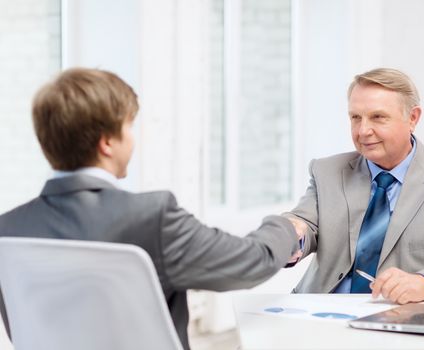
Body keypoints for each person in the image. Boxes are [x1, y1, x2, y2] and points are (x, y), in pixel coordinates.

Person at [0, 68, 304, 350]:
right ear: (107, 143)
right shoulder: (152, 218)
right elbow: (253, 261)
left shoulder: (8, 231)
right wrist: (288, 226)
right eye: (129, 127)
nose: (133, 138)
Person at [285, 68, 424, 304]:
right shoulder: (327, 172)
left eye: (378, 117)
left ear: (412, 118)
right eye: (355, 117)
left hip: (401, 322)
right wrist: (292, 235)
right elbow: (304, 224)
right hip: (318, 312)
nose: (363, 131)